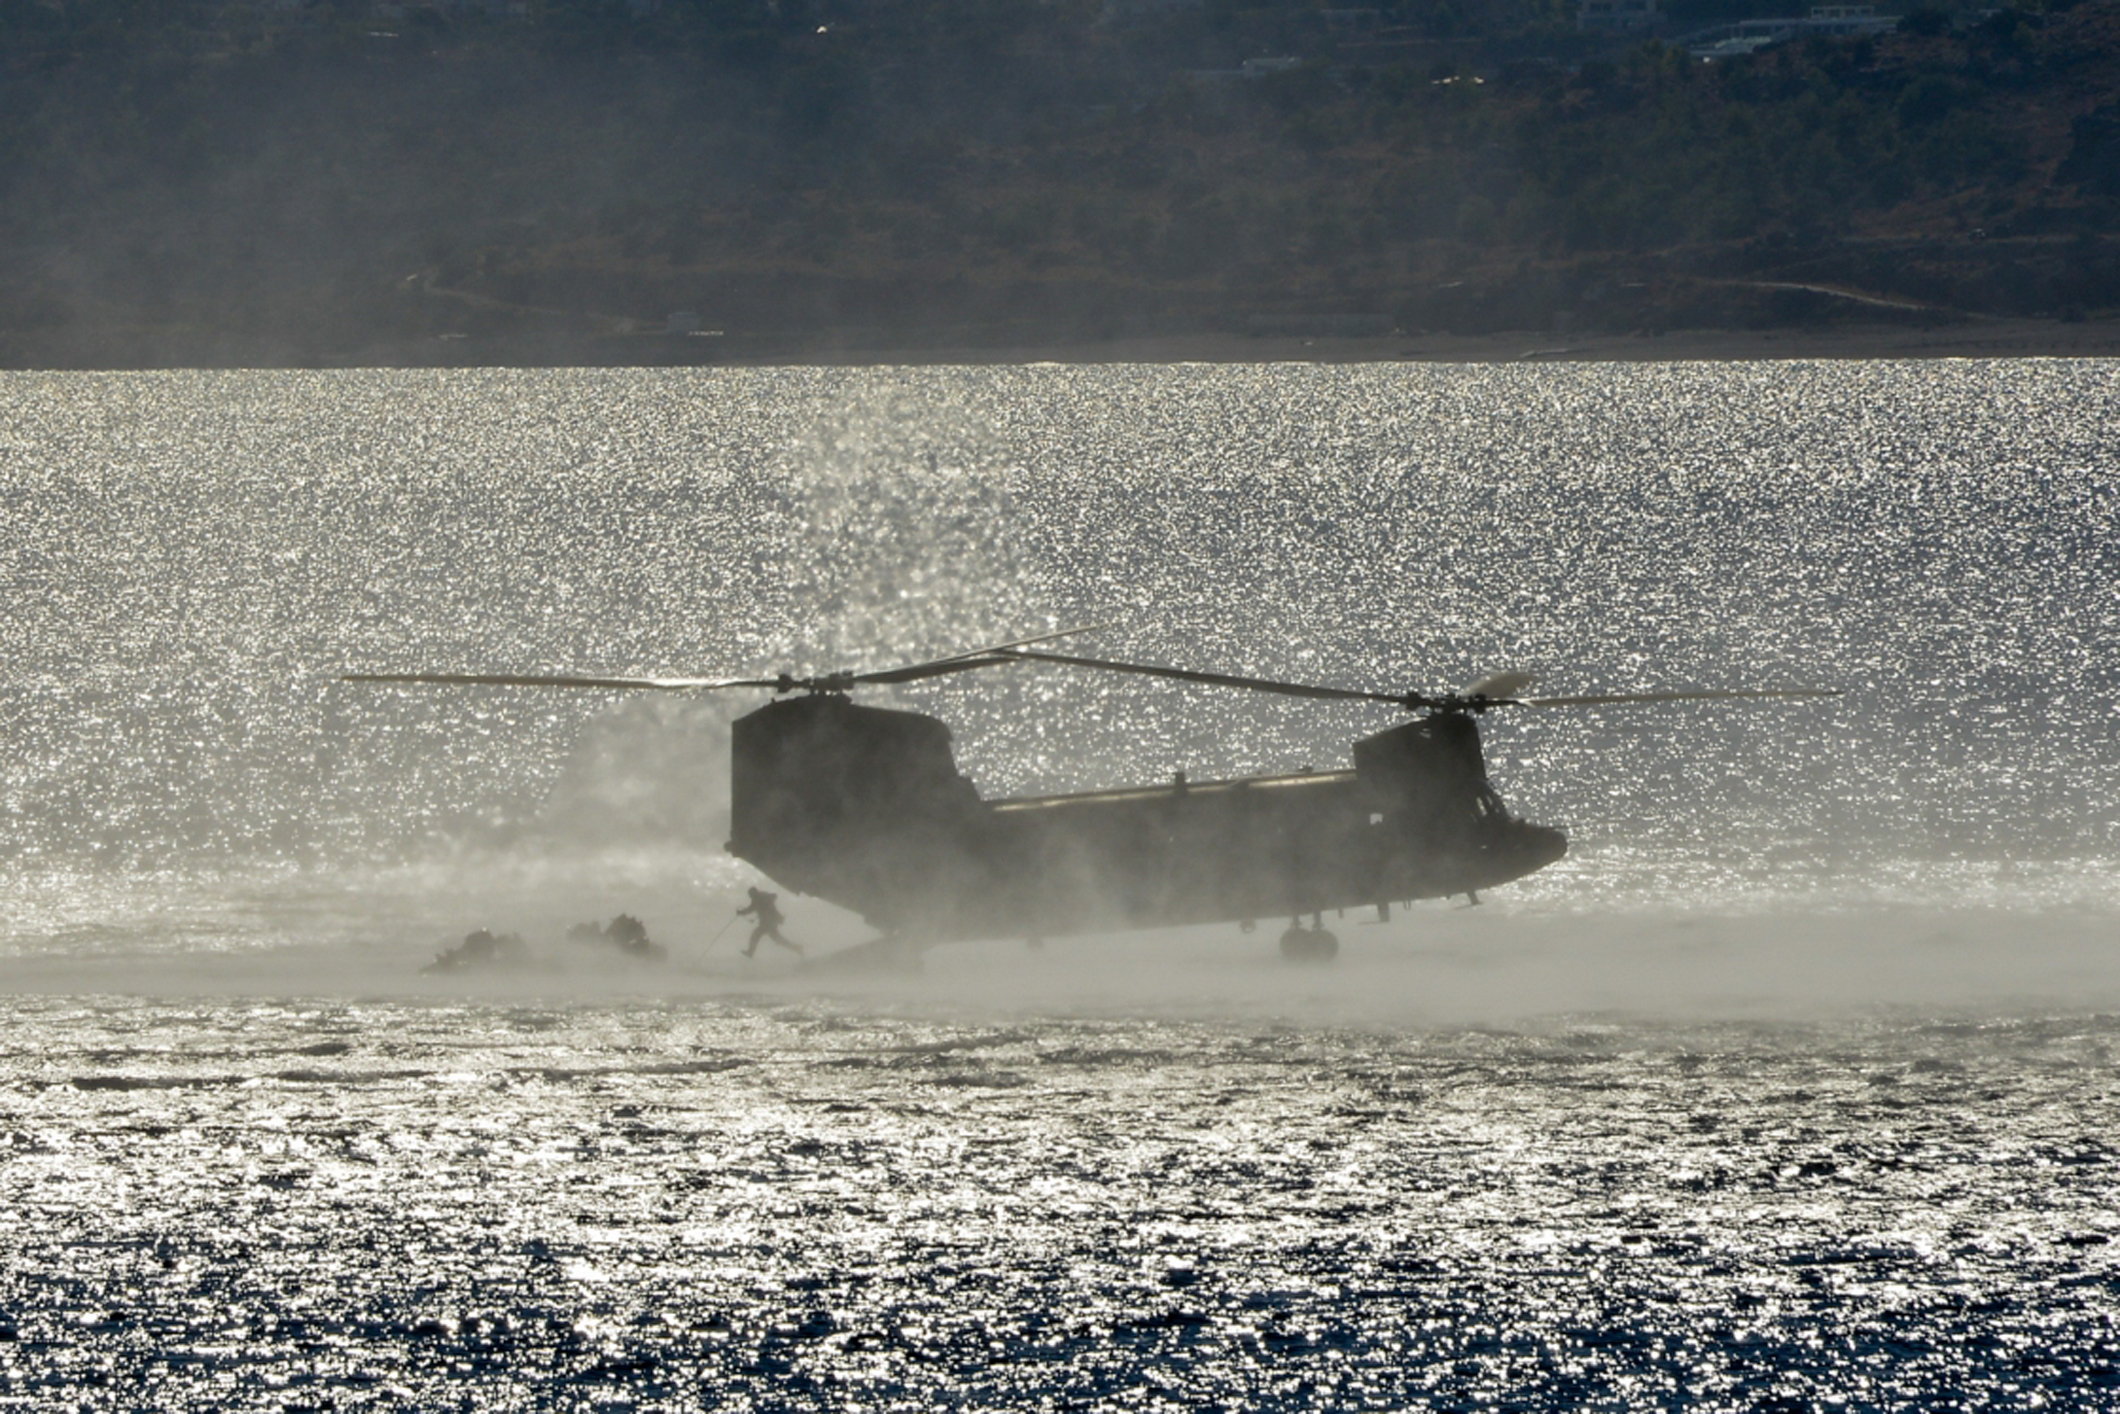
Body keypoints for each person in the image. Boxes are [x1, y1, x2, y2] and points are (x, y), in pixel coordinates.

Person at [734, 887, 801, 958]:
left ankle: (750, 952)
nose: (750, 897)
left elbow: (751, 908)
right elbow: (753, 907)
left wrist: (741, 912)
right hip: (769, 922)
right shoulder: (761, 897)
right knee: (778, 939)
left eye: (750, 895)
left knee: (756, 935)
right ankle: (797, 948)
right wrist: (742, 912)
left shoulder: (758, 898)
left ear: (753, 893)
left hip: (767, 923)